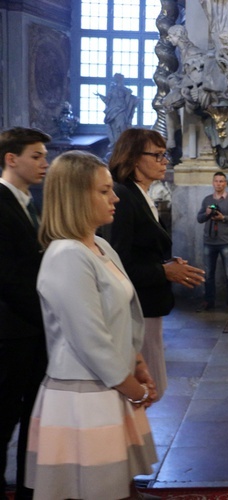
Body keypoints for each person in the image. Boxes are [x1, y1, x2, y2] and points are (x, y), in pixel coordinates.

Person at [25, 151, 158, 499]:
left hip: (110, 383)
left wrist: (139, 364)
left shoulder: (98, 245)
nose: (115, 198)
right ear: (75, 196)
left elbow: (121, 314)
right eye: (104, 191)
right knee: (95, 489)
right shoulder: (67, 255)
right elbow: (90, 339)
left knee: (118, 485)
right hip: (84, 394)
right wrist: (136, 390)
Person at [104, 128, 205, 402]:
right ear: (135, 158)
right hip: (136, 310)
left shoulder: (141, 195)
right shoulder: (123, 197)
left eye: (165, 154)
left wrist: (167, 264)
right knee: (145, 389)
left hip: (149, 306)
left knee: (151, 388)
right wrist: (164, 271)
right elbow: (117, 264)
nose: (165, 161)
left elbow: (142, 250)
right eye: (158, 155)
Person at [0, 127, 50, 500]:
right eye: (36, 156)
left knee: (31, 417)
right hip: (10, 331)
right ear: (11, 159)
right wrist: (47, 316)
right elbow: (9, 277)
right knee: (3, 420)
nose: (44, 163)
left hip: (29, 331)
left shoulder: (28, 201)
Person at [196, 171, 228, 313]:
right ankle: (208, 301)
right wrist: (206, 214)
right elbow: (199, 219)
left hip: (225, 241)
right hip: (209, 241)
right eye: (216, 181)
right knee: (208, 274)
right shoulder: (207, 200)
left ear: (225, 183)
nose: (219, 184)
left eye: (222, 181)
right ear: (213, 183)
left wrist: (223, 218)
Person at [96, 73, 139, 147]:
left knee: (122, 126)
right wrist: (100, 96)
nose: (117, 80)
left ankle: (124, 143)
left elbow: (131, 99)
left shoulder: (126, 90)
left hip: (122, 110)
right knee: (113, 127)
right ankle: (116, 144)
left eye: (118, 78)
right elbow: (107, 100)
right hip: (112, 111)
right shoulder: (112, 90)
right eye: (116, 78)